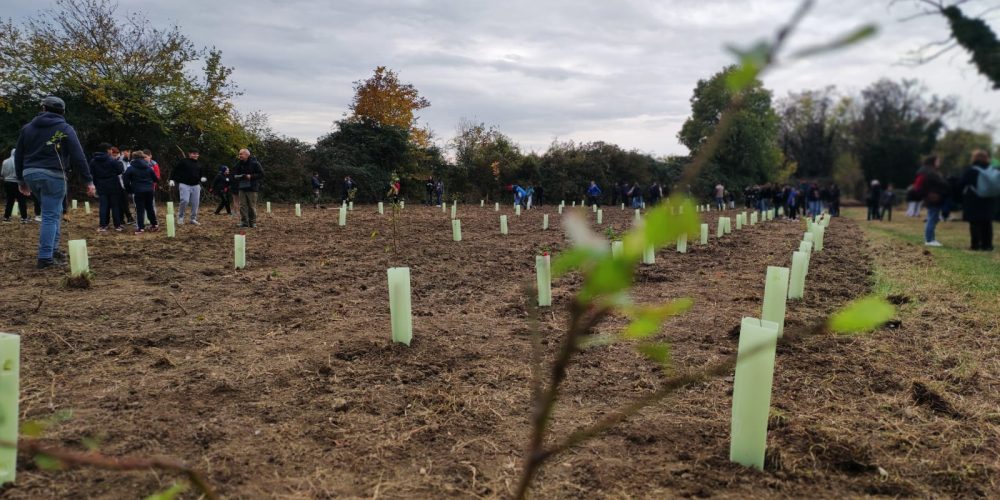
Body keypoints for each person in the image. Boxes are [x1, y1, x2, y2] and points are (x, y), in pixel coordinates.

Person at [14, 96, 96, 268]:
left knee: (54, 211)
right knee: (50, 215)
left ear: (43, 108)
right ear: (63, 112)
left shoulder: (27, 128)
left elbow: (19, 155)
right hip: (53, 174)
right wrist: (88, 180)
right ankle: (45, 257)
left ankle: (53, 250)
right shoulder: (64, 128)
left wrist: (21, 180)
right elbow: (78, 155)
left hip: (30, 173)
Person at [960, 150, 997, 251]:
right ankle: (987, 245)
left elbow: (962, 183)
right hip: (989, 199)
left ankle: (975, 245)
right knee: (987, 223)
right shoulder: (992, 169)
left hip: (974, 199)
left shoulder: (971, 170)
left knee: (974, 223)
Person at [89, 143, 125, 232]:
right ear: (107, 150)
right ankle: (117, 225)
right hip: (113, 184)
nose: (111, 151)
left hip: (100, 185)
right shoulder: (111, 160)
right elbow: (120, 170)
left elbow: (91, 173)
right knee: (115, 206)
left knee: (103, 205)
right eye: (110, 149)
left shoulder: (93, 161)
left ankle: (103, 225)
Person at [914, 156, 949, 246]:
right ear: (933, 161)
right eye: (938, 160)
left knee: (932, 217)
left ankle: (931, 239)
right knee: (932, 218)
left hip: (931, 196)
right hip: (933, 196)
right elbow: (939, 183)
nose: (939, 162)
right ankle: (929, 240)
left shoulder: (926, 170)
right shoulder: (929, 172)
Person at [123, 150, 159, 234]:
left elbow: (125, 181)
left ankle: (141, 228)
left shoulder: (130, 168)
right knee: (150, 208)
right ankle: (154, 225)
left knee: (140, 209)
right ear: (142, 157)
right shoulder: (149, 167)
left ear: (133, 158)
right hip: (149, 190)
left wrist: (130, 190)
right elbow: (156, 179)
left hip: (138, 191)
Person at [233, 148, 264, 228]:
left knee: (251, 206)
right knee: (242, 206)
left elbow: (261, 174)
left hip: (252, 188)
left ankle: (252, 222)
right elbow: (234, 173)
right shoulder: (238, 164)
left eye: (241, 154)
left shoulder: (255, 163)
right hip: (242, 187)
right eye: (239, 154)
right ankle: (244, 222)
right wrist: (238, 176)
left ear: (247, 155)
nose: (239, 156)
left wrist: (251, 176)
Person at [172, 148, 202, 225]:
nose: (195, 155)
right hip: (184, 184)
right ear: (189, 154)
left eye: (196, 154)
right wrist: (171, 179)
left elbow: (201, 174)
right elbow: (175, 170)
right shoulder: (184, 161)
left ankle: (193, 219)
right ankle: (180, 217)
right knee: (185, 200)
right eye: (193, 153)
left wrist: (202, 178)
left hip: (196, 185)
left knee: (195, 203)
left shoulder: (199, 164)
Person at [2, 148, 29, 224]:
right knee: (21, 200)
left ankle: (6, 217)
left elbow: (2, 173)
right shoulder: (20, 161)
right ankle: (24, 218)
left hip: (8, 182)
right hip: (18, 183)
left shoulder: (5, 161)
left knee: (10, 200)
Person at [115, 147, 135, 225]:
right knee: (123, 202)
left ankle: (126, 218)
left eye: (129, 152)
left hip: (125, 184)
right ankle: (124, 219)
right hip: (121, 185)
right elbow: (122, 174)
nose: (129, 153)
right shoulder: (120, 161)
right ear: (123, 152)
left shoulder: (127, 161)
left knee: (124, 202)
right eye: (127, 152)